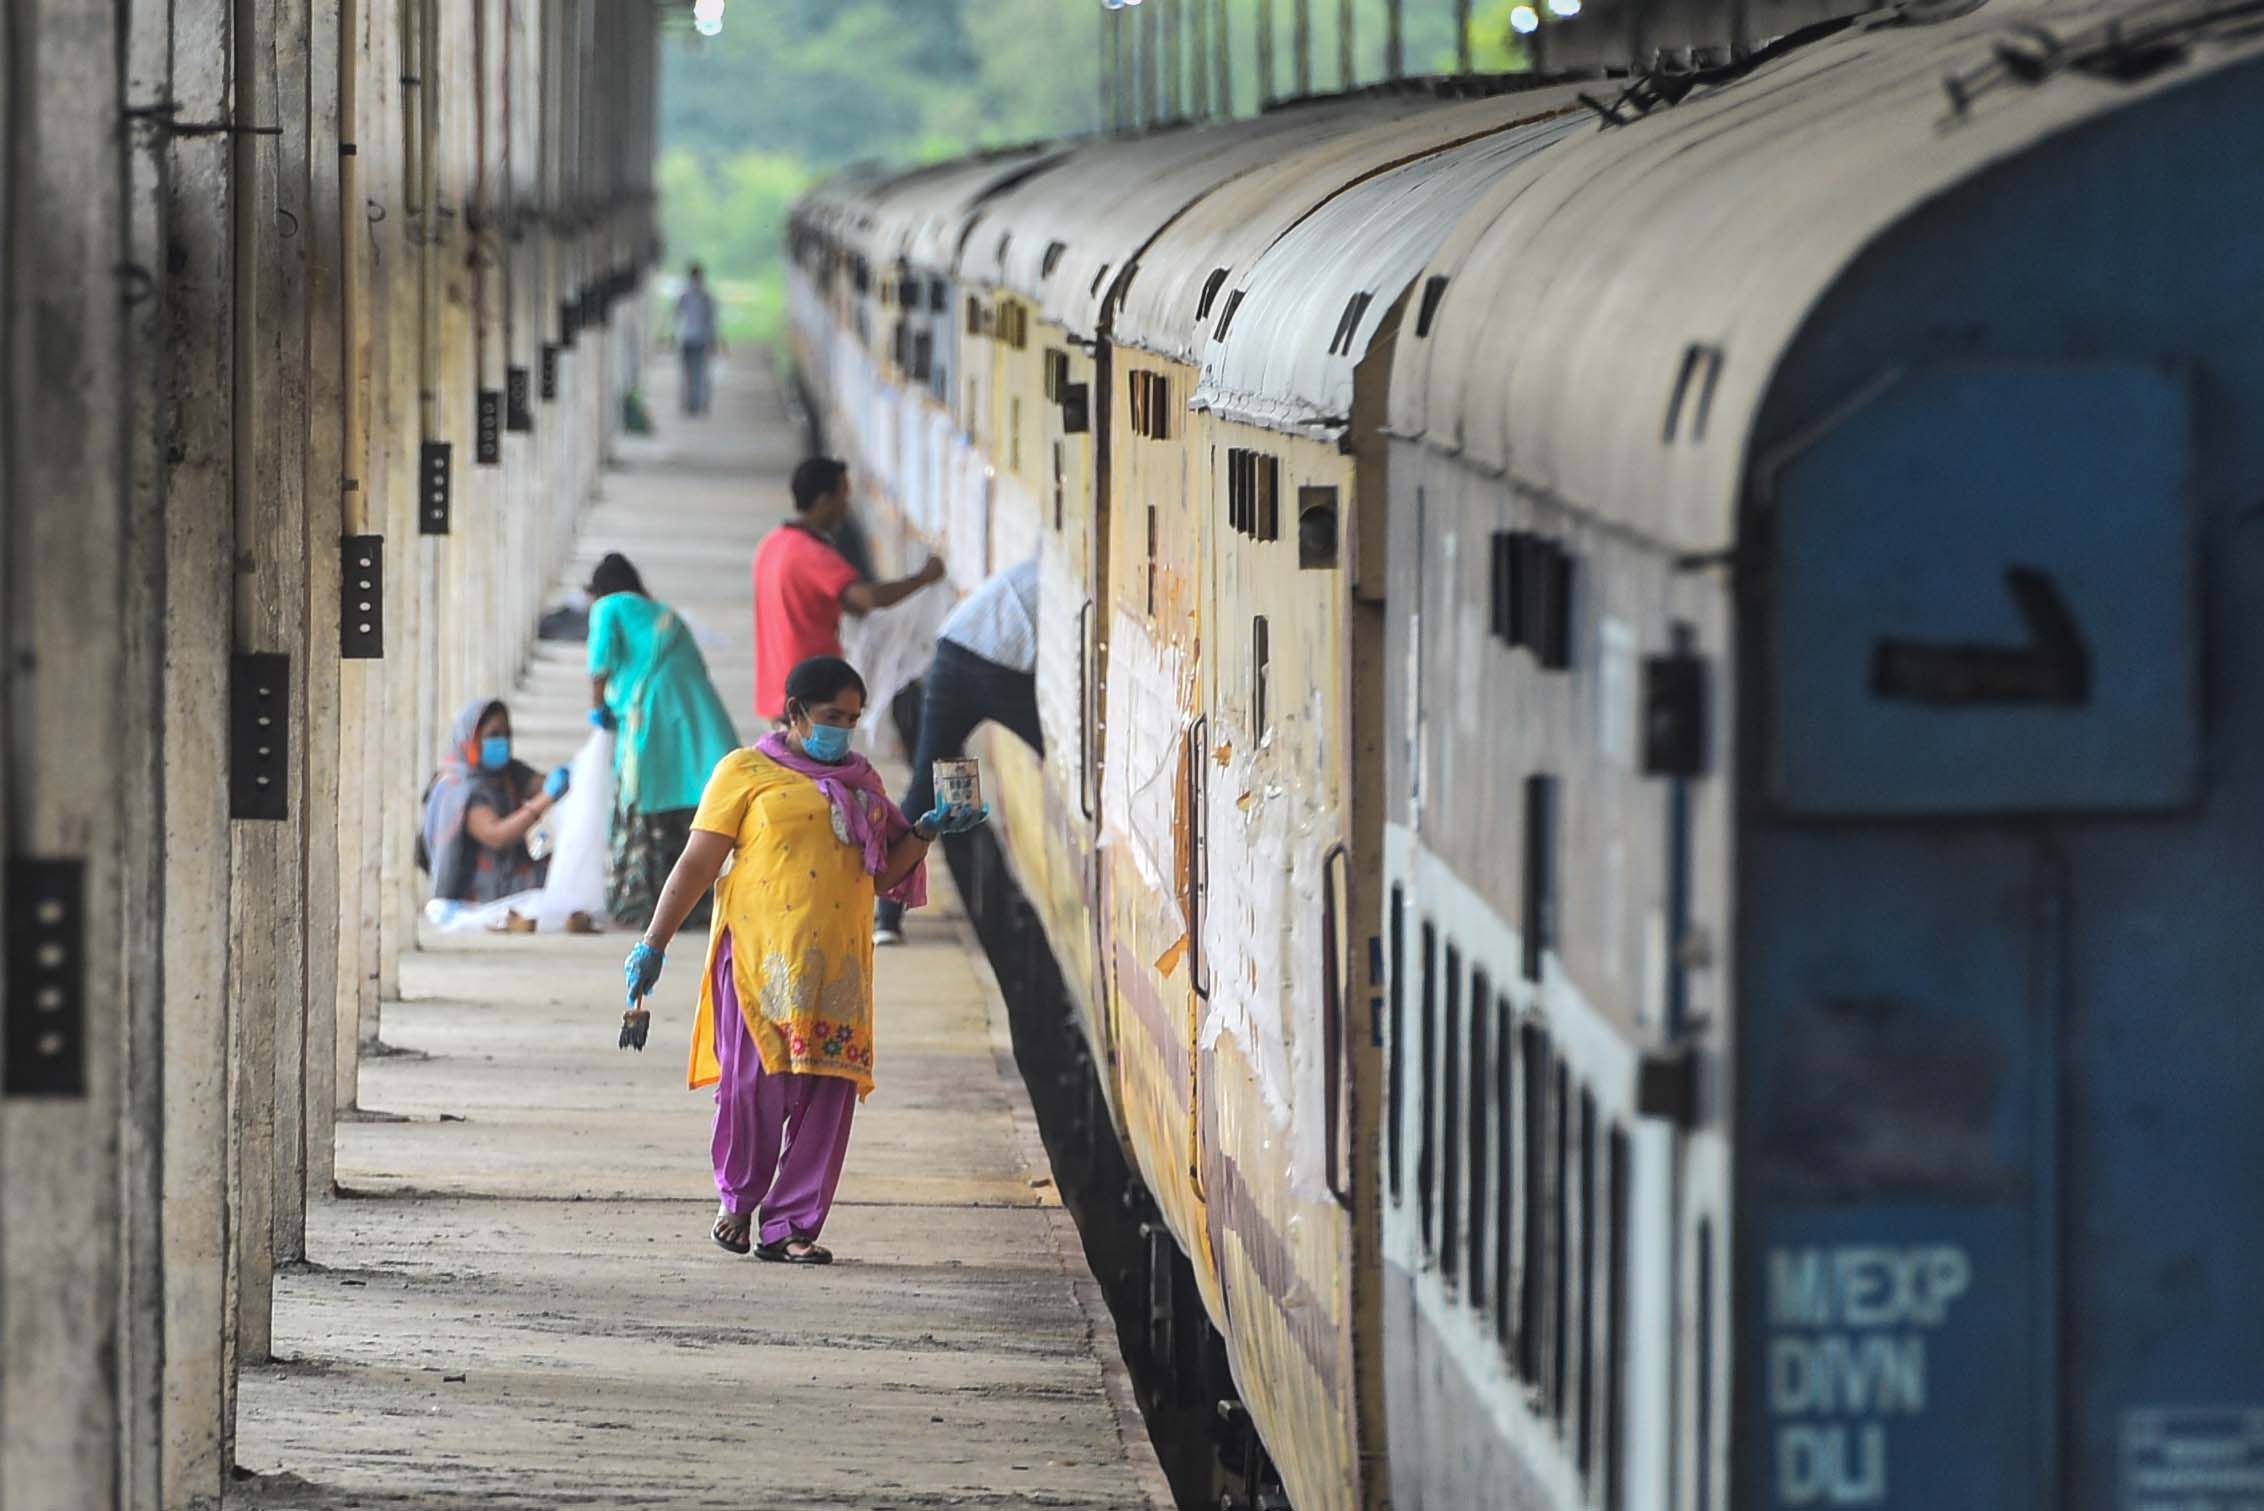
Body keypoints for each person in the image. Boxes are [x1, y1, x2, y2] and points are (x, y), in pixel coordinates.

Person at [616, 657, 985, 1263]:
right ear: (794, 712)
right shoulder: (745, 771)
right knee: (751, 1088)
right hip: (762, 961)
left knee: (828, 1097)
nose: (843, 729)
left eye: (853, 718)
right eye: (831, 716)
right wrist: (654, 942)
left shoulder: (863, 784)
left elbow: (880, 874)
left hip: (837, 969)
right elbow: (697, 863)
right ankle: (737, 1200)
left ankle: (791, 1226)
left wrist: (923, 831)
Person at [872, 556, 1043, 946]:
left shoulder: (1031, 569)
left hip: (952, 651)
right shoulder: (1064, 578)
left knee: (925, 783)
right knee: (1071, 766)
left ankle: (887, 918)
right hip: (1004, 670)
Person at [584, 552, 743, 926]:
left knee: (643, 799)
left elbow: (599, 665)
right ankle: (695, 905)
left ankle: (641, 903)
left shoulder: (607, 607)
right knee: (690, 805)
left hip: (647, 717)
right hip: (692, 712)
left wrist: (598, 709)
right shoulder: (662, 614)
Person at [751, 457, 943, 724]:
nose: (845, 508)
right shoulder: (811, 553)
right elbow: (869, 598)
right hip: (810, 693)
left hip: (777, 691)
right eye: (842, 497)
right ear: (823, 501)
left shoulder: (772, 543)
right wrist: (924, 577)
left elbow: (820, 601)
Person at [419, 698, 570, 908]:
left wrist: (570, 777)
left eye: (507, 735)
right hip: (480, 893)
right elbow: (496, 835)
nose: (503, 742)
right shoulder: (459, 788)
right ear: (471, 739)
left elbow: (539, 783)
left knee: (571, 866)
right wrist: (544, 801)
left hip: (510, 874)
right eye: (493, 735)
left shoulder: (504, 771)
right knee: (565, 880)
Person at [674, 263, 718, 417]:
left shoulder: (684, 295)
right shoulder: (706, 297)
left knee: (688, 373)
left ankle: (691, 404)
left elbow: (676, 316)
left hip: (687, 338)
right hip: (700, 339)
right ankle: (698, 404)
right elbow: (711, 321)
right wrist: (713, 340)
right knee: (699, 373)